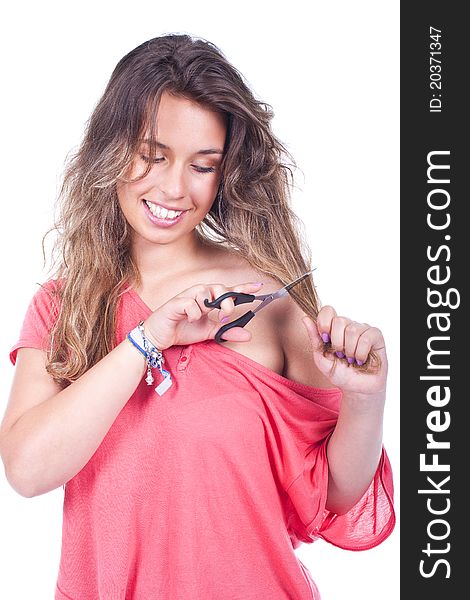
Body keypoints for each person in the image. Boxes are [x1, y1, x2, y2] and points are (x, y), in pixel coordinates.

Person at [0, 34, 395, 600]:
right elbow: (27, 469)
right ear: (111, 149)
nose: (174, 188)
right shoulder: (66, 307)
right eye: (152, 155)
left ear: (225, 173)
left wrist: (366, 399)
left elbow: (331, 493)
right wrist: (147, 338)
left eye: (202, 166)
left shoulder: (267, 300)